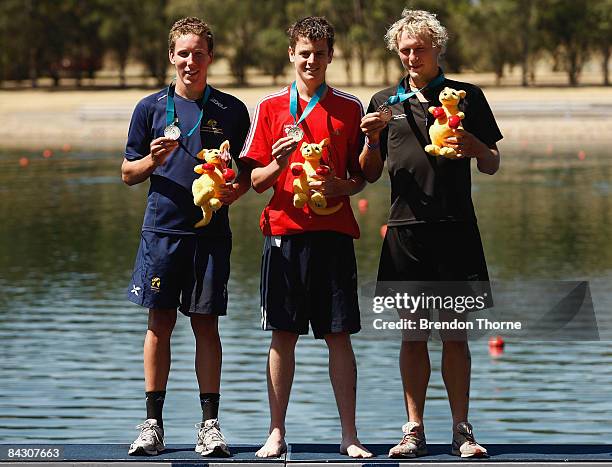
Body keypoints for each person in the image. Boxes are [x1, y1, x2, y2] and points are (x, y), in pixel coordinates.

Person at [359, 9, 502, 459]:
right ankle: (413, 430)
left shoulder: (467, 96)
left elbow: (492, 162)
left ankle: (462, 430)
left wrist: (474, 146)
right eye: (404, 50)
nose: (412, 56)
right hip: (404, 233)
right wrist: (370, 140)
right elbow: (367, 174)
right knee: (412, 335)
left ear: (438, 47)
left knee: (454, 333)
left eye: (420, 48)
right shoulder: (384, 101)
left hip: (456, 230)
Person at [239, 16, 372, 459]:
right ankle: (276, 433)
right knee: (283, 335)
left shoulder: (350, 108)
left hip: (333, 236)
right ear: (291, 55)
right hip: (285, 236)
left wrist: (344, 187)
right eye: (304, 52)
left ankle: (349, 435)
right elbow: (255, 181)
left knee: (339, 336)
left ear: (331, 55)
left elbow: (361, 176)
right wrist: (277, 163)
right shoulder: (271, 107)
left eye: (319, 53)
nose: (311, 60)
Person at [121, 17, 251, 457]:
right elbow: (127, 173)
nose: (190, 61)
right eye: (183, 53)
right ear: (171, 57)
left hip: (210, 235)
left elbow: (241, 175)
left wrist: (235, 184)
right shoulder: (150, 108)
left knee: (206, 327)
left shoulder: (233, 110)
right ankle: (152, 425)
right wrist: (152, 162)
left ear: (210, 57)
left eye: (199, 53)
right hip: (162, 233)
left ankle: (209, 426)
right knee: (159, 325)